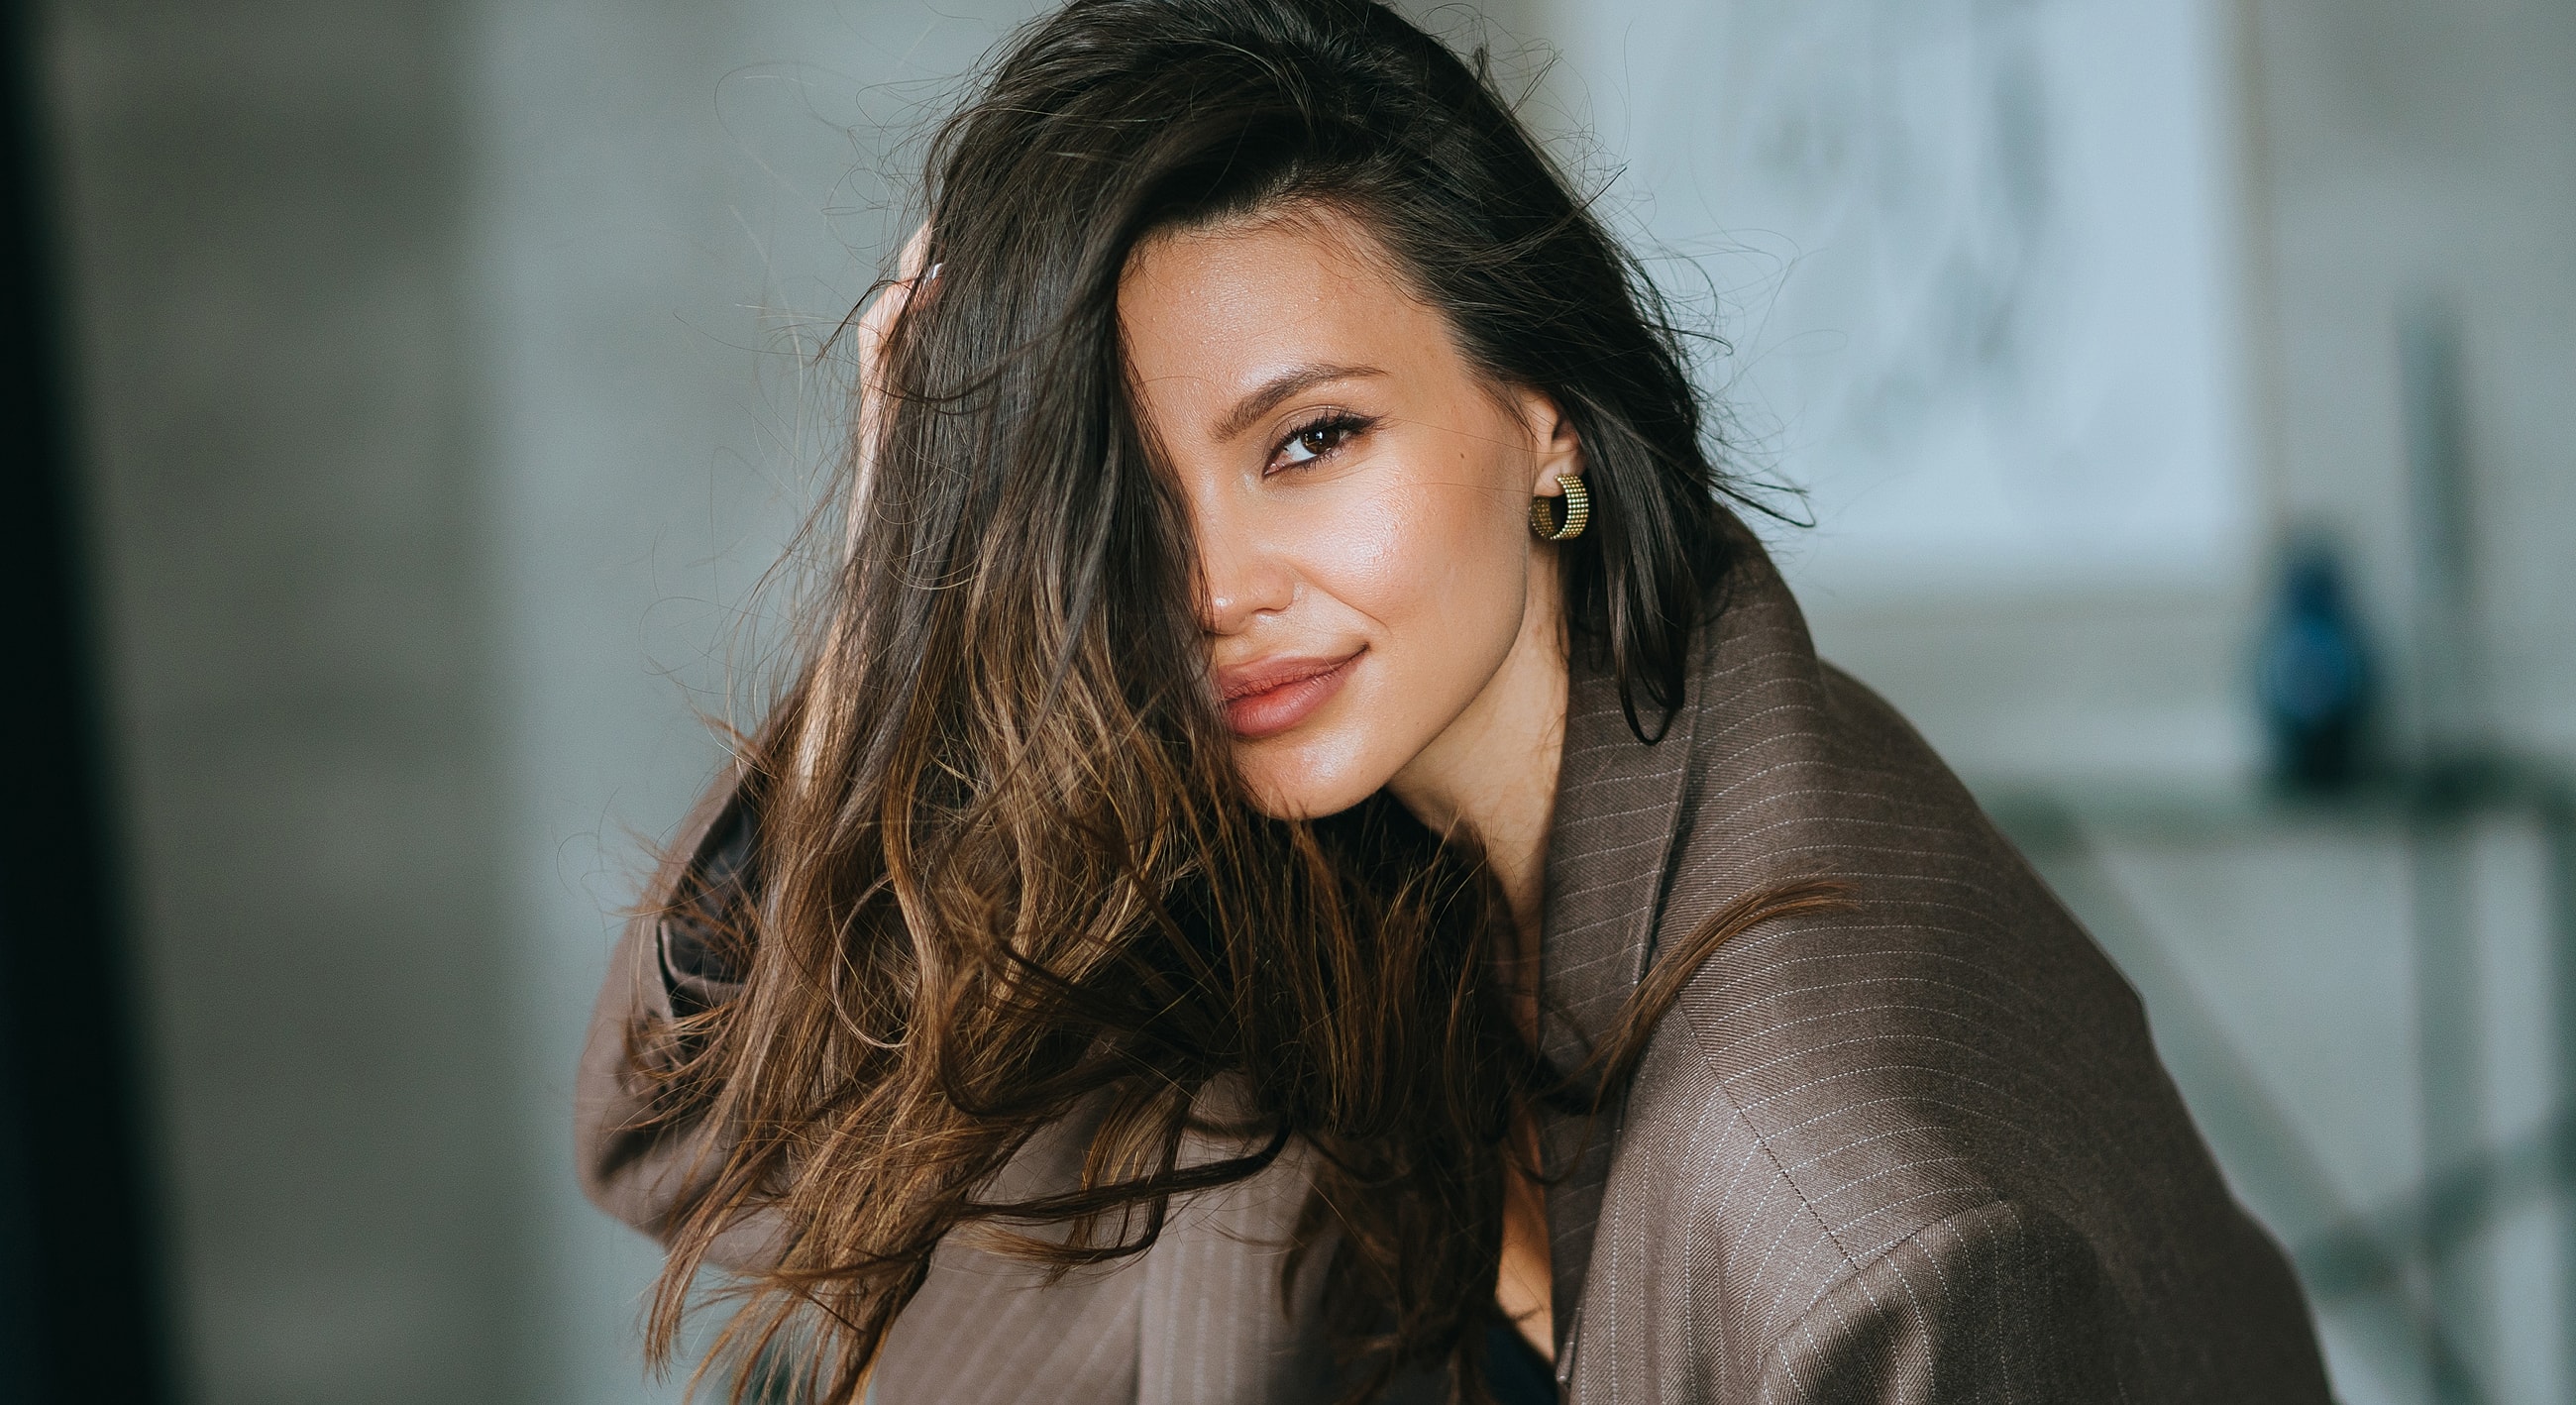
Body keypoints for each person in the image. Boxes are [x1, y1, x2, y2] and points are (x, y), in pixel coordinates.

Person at [576, 2, 2334, 1400]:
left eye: (1312, 439)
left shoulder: (1836, 1208)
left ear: (1542, 406)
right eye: (1132, 500)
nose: (1213, 590)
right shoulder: (1328, 838)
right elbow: (696, 1145)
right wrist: (915, 587)